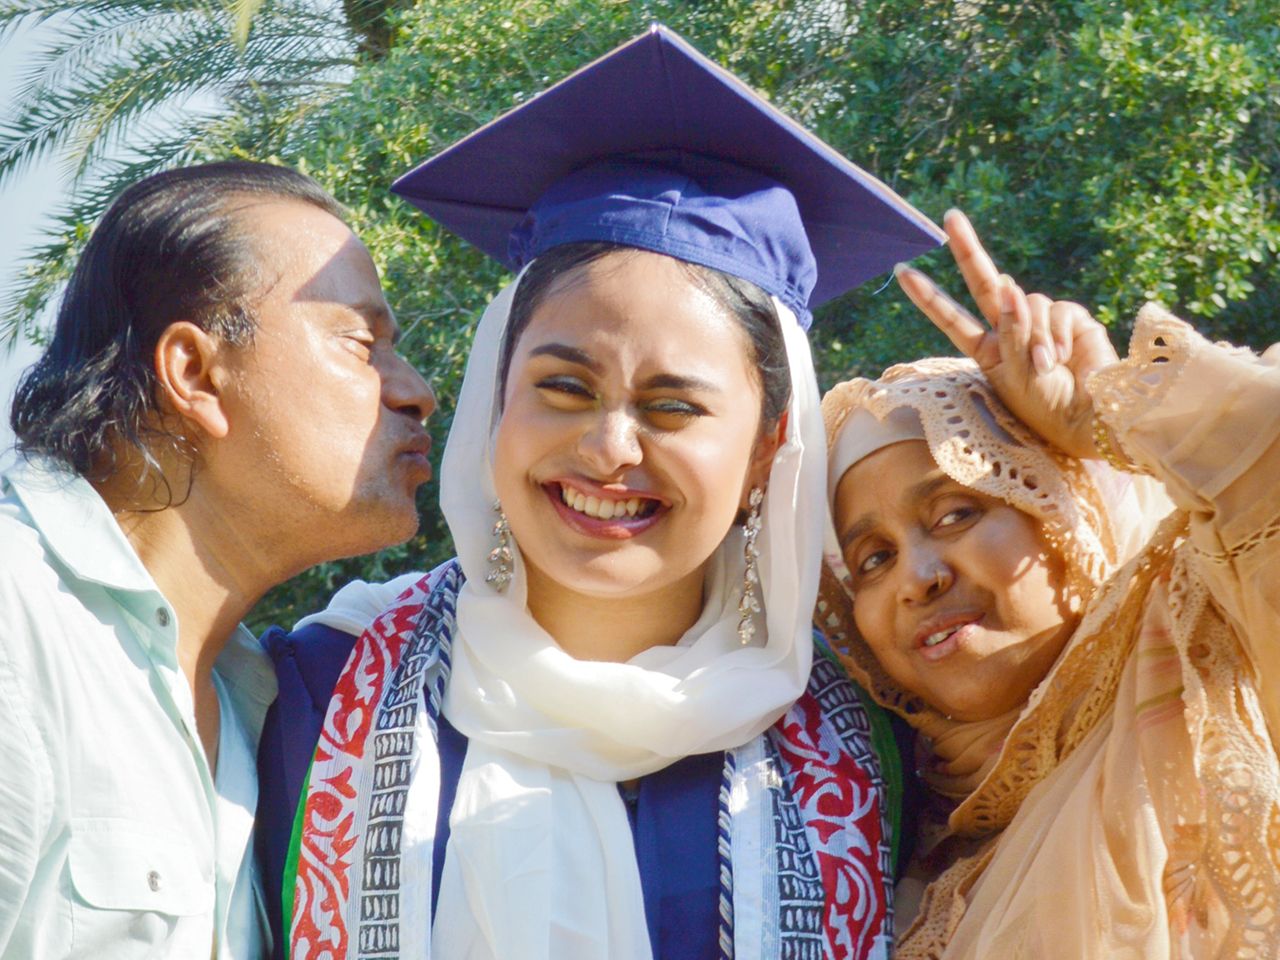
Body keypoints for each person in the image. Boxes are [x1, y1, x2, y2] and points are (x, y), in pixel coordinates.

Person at [256, 25, 945, 960]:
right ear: (497, 397)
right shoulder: (308, 698)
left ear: (767, 451)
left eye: (673, 406)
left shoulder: (889, 745)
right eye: (564, 387)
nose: (608, 448)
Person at [0, 160, 436, 959]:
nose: (415, 392)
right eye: (362, 344)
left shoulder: (268, 701)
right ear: (196, 373)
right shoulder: (17, 622)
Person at [819, 209, 1280, 958]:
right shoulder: (879, 839)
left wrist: (1098, 411)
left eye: (956, 510)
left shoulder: (1211, 657)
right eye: (871, 559)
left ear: (1060, 504)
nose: (918, 578)